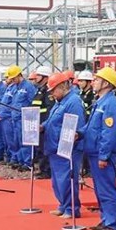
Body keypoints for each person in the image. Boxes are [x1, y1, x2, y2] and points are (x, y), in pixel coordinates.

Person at [81, 67, 116, 230]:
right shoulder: (101, 101)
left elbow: (109, 132)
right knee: (100, 189)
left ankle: (113, 224)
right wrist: (80, 133)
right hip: (95, 152)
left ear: (106, 83)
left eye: (97, 80)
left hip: (101, 154)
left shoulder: (110, 103)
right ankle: (106, 219)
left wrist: (104, 155)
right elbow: (92, 126)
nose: (94, 82)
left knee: (107, 189)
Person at [43, 72, 87, 218]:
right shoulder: (60, 101)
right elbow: (53, 120)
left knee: (67, 179)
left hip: (67, 149)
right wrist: (43, 126)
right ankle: (63, 205)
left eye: (53, 90)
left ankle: (71, 208)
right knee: (58, 180)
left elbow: (77, 126)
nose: (52, 94)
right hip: (55, 146)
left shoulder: (73, 102)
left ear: (62, 86)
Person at [30, 66, 53, 179]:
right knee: (39, 147)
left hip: (44, 123)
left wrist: (45, 123)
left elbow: (49, 109)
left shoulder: (48, 92)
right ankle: (42, 168)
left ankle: (47, 171)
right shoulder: (40, 90)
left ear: (45, 77)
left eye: (39, 75)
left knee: (45, 148)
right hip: (38, 122)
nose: (36, 77)